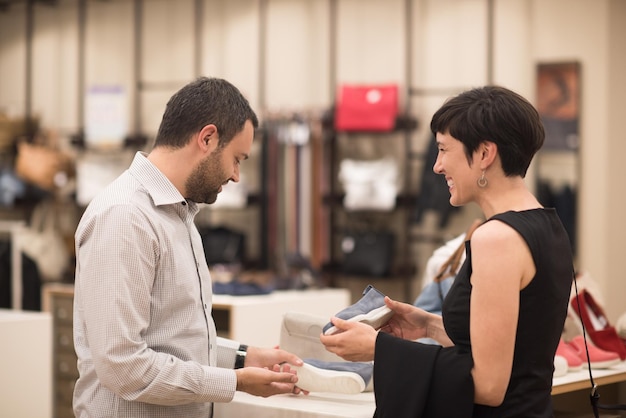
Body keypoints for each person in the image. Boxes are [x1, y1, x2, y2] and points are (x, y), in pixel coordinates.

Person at [320, 85, 574, 418]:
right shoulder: (547, 224)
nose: (437, 166)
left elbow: (489, 386)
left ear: (484, 154)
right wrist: (427, 326)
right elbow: (514, 347)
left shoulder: (496, 239)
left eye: (443, 150)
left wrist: (381, 349)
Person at [72, 76, 305, 418]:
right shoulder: (125, 217)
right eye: (237, 159)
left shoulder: (177, 214)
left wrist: (244, 357)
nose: (237, 176)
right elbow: (123, 365)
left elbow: (172, 338)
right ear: (207, 138)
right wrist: (233, 382)